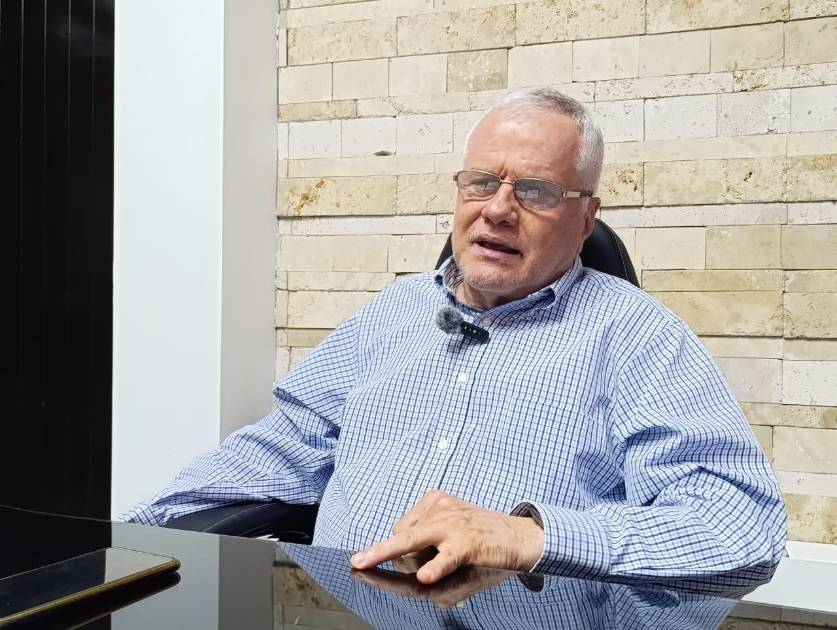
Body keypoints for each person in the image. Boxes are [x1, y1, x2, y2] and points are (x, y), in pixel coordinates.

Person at [122, 87, 786, 586]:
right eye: (481, 182)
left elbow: (740, 524)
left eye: (535, 191)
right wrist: (116, 544)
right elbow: (276, 452)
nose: (497, 209)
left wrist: (530, 537)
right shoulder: (393, 313)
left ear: (586, 218)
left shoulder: (638, 337)